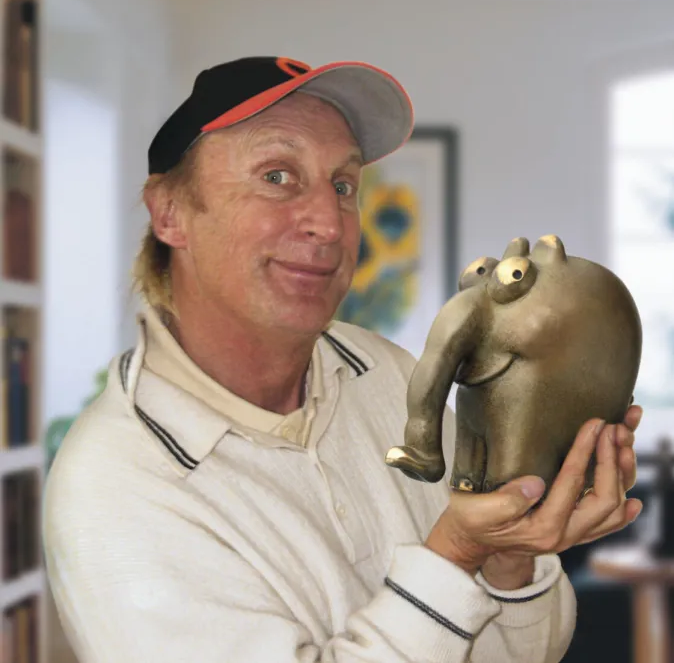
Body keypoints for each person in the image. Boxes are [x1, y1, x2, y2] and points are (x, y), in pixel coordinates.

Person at [42, 56, 643, 663]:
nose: (329, 224)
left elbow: (525, 653)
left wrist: (510, 558)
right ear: (169, 212)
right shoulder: (112, 483)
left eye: (342, 185)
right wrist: (457, 552)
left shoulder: (387, 372)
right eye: (277, 176)